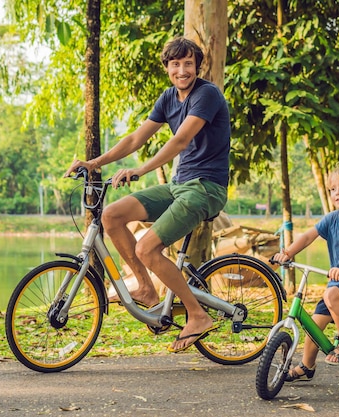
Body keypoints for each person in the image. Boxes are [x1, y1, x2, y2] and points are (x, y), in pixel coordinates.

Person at [64, 37, 231, 353]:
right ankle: (145, 288)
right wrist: (94, 163)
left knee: (147, 248)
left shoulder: (207, 95)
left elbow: (180, 141)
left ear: (197, 66)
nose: (181, 70)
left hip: (206, 188)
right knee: (112, 215)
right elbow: (135, 138)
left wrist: (139, 171)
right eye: (175, 64)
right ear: (167, 68)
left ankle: (197, 315)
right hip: (178, 186)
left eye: (188, 64)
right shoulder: (168, 98)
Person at [271, 161, 339, 381]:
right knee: (314, 326)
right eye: (332, 189)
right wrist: (288, 253)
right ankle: (306, 367)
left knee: (331, 293)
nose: (336, 192)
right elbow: (307, 237)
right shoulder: (331, 219)